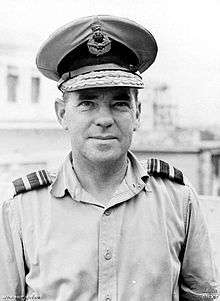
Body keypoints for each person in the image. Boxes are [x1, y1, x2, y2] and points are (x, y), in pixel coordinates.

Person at [0, 15, 219, 301]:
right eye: (87, 103)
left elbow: (202, 295)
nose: (104, 119)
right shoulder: (22, 209)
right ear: (62, 114)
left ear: (137, 113)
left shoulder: (178, 200)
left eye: (119, 103)